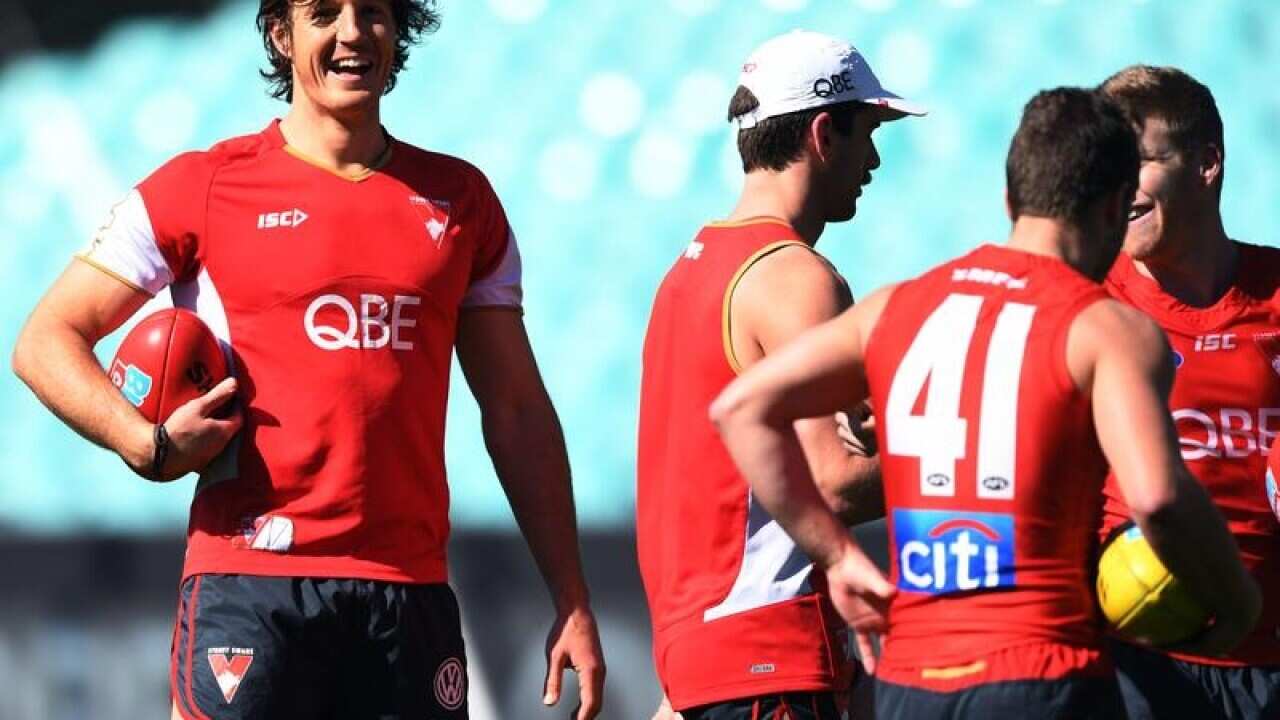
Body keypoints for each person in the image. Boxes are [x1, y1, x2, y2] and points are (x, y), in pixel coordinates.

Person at [10, 1, 604, 718]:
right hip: (250, 585)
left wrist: (570, 595)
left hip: (406, 593)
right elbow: (46, 339)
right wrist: (146, 443)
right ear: (280, 34)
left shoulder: (462, 201)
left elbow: (515, 409)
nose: (353, 32)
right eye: (324, 12)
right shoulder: (202, 185)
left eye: (374, 12)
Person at [710, 87, 1261, 719]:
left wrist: (834, 554)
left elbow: (741, 408)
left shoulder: (899, 306)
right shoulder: (1106, 327)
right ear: (1114, 208)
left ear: (1010, 199)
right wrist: (1238, 602)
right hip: (1043, 674)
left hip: (911, 682)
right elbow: (1159, 498)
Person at [636, 29, 923, 720]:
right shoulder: (798, 278)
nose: (875, 159)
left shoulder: (689, 270)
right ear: (825, 133)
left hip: (701, 662)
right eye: (869, 133)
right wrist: (966, 456)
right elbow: (836, 484)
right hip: (771, 659)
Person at [1096, 65, 1280, 720]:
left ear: (1206, 163)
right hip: (1132, 669)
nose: (1117, 188)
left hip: (1267, 662)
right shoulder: (1089, 304)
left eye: (1138, 162)